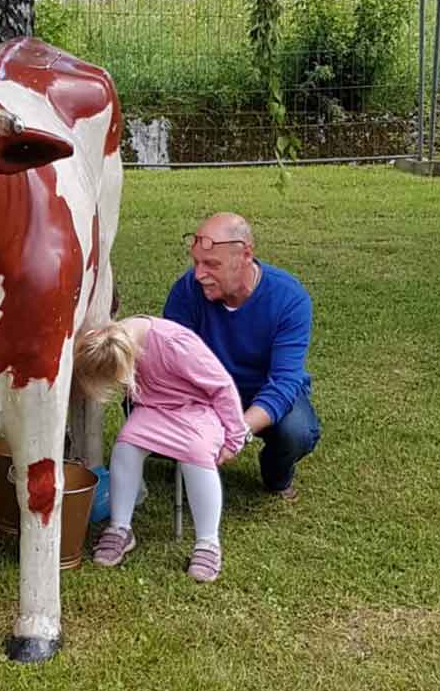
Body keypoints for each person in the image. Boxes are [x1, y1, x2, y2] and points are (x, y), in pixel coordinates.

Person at [74, 316, 247, 581]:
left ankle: (208, 542)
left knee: (196, 451)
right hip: (154, 409)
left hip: (198, 409)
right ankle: (120, 527)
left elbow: (222, 388)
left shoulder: (176, 344)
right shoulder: (113, 340)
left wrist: (235, 437)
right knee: (127, 443)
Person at [163, 212, 320, 500]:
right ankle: (189, 458)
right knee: (135, 402)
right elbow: (169, 363)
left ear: (245, 255)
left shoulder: (290, 298)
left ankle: (276, 476)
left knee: (296, 432)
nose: (199, 275)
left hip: (262, 391)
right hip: (205, 392)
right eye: (196, 262)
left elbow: (284, 384)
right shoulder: (187, 290)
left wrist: (237, 432)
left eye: (211, 264)